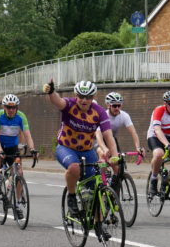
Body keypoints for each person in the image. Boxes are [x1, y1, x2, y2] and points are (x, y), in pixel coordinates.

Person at [43, 79, 118, 221]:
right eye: (81, 96)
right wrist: (52, 92)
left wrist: (114, 156)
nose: (84, 100)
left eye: (88, 97)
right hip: (66, 148)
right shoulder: (69, 104)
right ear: (76, 95)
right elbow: (57, 101)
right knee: (74, 168)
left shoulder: (99, 112)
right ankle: (71, 197)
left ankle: (99, 224)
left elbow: (109, 136)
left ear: (93, 97)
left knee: (94, 187)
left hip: (87, 151)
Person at [0, 94, 36, 219]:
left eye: (14, 107)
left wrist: (32, 149)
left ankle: (17, 203)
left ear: (17, 107)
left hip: (12, 146)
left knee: (19, 172)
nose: (11, 110)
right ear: (4, 107)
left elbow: (28, 135)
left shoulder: (21, 117)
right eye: (8, 107)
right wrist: (0, 151)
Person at [95, 92, 144, 161]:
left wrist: (138, 147)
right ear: (109, 105)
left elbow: (133, 132)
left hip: (112, 139)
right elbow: (98, 136)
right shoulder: (104, 116)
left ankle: (118, 171)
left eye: (119, 105)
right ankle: (102, 171)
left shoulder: (124, 116)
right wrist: (104, 148)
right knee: (102, 154)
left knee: (117, 161)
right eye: (114, 106)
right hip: (99, 139)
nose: (117, 108)